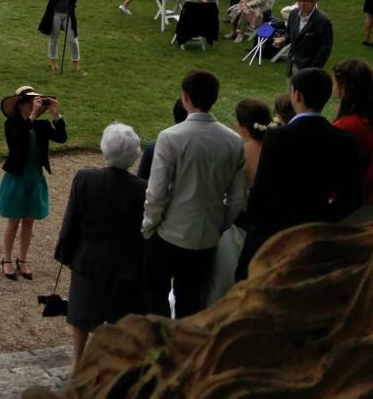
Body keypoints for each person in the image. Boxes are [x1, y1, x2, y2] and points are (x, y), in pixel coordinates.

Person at [236, 67, 362, 279]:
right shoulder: (345, 141)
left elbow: (262, 189)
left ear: (297, 95)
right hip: (313, 234)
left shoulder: (278, 138)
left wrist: (253, 224)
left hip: (272, 235)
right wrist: (324, 218)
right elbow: (352, 196)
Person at [141, 70, 246, 318]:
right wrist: (220, 225)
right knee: (191, 300)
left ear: (185, 98)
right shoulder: (233, 141)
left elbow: (156, 192)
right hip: (206, 237)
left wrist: (148, 227)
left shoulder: (170, 137)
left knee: (155, 299)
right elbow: (237, 198)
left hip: (169, 234)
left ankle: (162, 349)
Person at [54, 122, 145, 370]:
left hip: (88, 257)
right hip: (123, 261)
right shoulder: (141, 188)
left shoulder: (85, 178)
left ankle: (77, 362)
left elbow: (71, 219)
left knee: (82, 313)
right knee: (117, 316)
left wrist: (65, 251)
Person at [202, 99, 272, 305]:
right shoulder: (274, 150)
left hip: (236, 225)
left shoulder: (241, 151)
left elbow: (230, 192)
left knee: (223, 278)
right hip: (264, 227)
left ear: (244, 127)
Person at [0, 86, 67, 282]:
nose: (34, 104)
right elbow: (17, 141)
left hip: (35, 178)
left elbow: (62, 138)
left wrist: (56, 116)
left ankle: (23, 259)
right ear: (21, 104)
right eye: (30, 101)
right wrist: (32, 117)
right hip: (18, 178)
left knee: (29, 222)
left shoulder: (42, 126)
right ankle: (7, 259)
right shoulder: (11, 125)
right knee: (13, 222)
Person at [332, 58, 373, 210]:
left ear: (344, 87)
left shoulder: (347, 126)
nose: (333, 88)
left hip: (359, 204)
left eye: (335, 83)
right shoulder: (364, 118)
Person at [273, 0, 332, 75]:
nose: (302, 4)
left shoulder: (322, 21)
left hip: (309, 67)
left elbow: (324, 49)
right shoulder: (293, 14)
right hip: (292, 64)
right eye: (299, 1)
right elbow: (289, 34)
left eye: (305, 1)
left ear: (313, 2)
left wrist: (313, 69)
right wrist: (283, 39)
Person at [41, 0, 82, 75]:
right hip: (55, 13)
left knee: (73, 40)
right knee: (53, 38)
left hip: (68, 13)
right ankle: (53, 63)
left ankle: (76, 64)